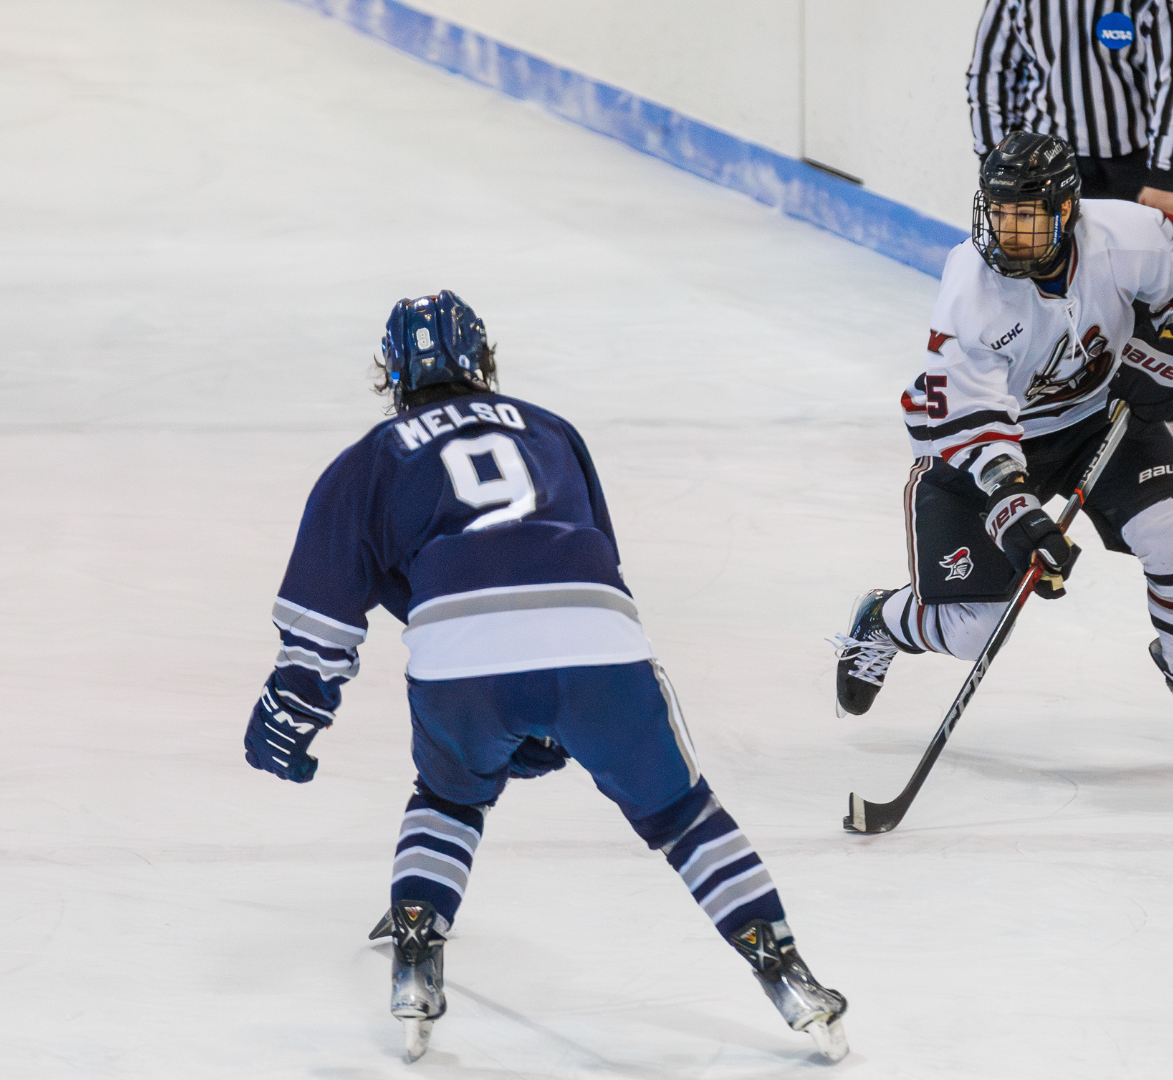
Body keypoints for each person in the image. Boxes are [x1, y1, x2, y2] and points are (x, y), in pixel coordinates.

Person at [243, 292, 848, 1063]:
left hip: (460, 657)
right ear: (484, 362)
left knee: (449, 796)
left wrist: (294, 712)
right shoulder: (551, 428)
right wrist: (565, 703)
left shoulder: (372, 456)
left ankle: (417, 948)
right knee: (682, 815)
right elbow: (595, 558)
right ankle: (786, 972)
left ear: (390, 375)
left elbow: (325, 617)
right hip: (593, 633)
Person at [833, 132, 1173, 773]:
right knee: (973, 627)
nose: (1009, 231)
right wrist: (1015, 508)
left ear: (1067, 211)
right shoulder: (972, 290)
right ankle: (884, 619)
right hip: (975, 447)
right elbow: (970, 417)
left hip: (1098, 417)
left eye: (1027, 217)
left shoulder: (1127, 233)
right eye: (1000, 213)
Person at [968, 0, 1173, 433]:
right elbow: (990, 72)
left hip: (1134, 166)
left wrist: (1164, 171)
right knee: (1033, 280)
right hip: (1046, 170)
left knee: (1165, 276)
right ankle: (1038, 386)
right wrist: (997, 159)